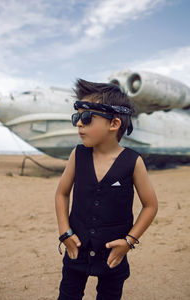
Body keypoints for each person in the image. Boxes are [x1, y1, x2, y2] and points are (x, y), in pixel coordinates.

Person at [55, 79, 158, 300]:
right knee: (68, 295)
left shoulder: (133, 161)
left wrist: (128, 242)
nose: (79, 124)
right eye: (77, 117)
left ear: (114, 124)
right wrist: (65, 233)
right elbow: (61, 193)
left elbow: (150, 206)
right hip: (77, 248)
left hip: (114, 253)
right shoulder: (78, 155)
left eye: (86, 117)